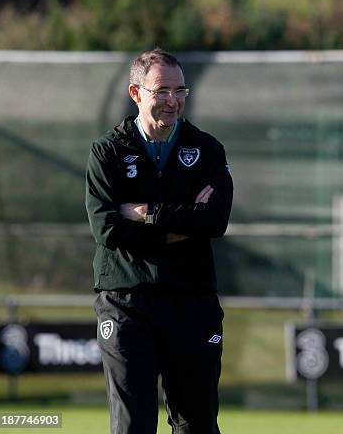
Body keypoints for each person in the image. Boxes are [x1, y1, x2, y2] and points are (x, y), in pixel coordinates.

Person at [86, 48, 233, 434]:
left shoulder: (207, 149)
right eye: (162, 90)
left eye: (180, 90)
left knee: (196, 423)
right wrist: (185, 223)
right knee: (133, 423)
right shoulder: (108, 152)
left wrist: (146, 213)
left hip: (191, 299)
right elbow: (108, 230)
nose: (173, 100)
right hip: (126, 302)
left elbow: (215, 221)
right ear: (136, 93)